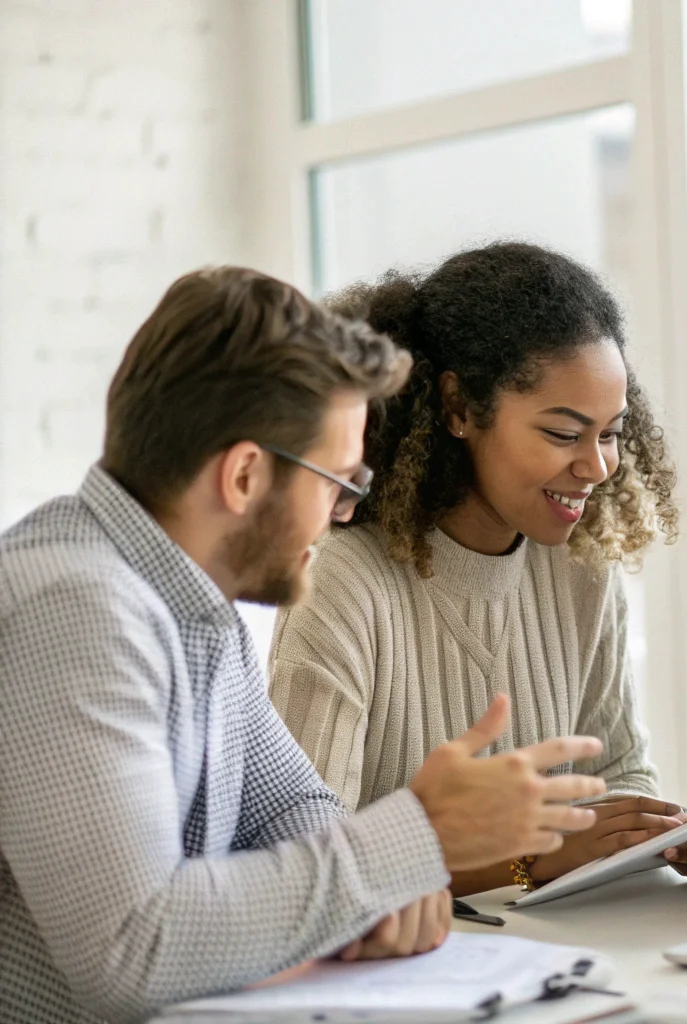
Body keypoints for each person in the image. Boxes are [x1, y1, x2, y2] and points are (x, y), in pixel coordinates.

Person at [0, 268, 609, 1024]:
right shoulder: (75, 609)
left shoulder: (195, 606)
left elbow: (293, 808)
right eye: (336, 482)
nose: (348, 514)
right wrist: (420, 835)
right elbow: (134, 948)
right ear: (245, 474)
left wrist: (386, 883)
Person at [269, 242, 687, 895]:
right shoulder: (344, 584)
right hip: (403, 974)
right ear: (459, 408)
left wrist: (653, 834)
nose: (598, 466)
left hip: (555, 959)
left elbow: (620, 772)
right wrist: (528, 862)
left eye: (609, 433)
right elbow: (302, 872)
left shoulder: (579, 570)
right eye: (563, 433)